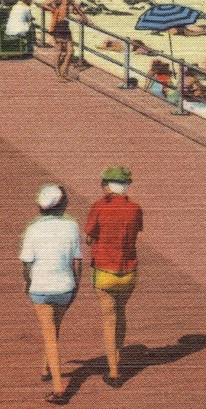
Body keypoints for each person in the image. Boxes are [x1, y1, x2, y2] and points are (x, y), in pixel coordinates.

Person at [20, 183, 83, 405]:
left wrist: (28, 284)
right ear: (63, 205)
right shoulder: (72, 226)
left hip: (41, 288)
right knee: (54, 329)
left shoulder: (33, 228)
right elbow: (77, 262)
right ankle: (45, 367)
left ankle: (58, 388)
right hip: (65, 288)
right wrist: (76, 286)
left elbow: (27, 263)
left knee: (49, 335)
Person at [84, 166, 144, 388]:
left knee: (109, 319)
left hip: (104, 271)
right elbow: (136, 236)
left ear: (107, 185)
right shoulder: (135, 209)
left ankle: (114, 372)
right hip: (128, 272)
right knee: (121, 313)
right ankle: (117, 357)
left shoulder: (99, 207)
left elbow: (90, 237)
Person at [41, 0, 87, 82]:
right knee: (60, 51)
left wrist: (84, 18)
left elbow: (77, 9)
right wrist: (55, 10)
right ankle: (58, 73)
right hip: (58, 25)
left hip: (65, 25)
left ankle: (64, 72)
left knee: (70, 51)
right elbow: (44, 4)